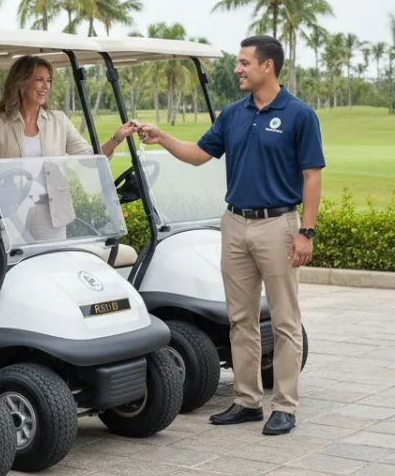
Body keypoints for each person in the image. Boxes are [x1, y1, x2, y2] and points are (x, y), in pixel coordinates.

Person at [137, 35, 324, 436]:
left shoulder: (299, 115)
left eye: (244, 63)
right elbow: (198, 154)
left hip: (278, 226)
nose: (237, 69)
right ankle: (247, 400)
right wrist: (162, 137)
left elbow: (312, 176)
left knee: (285, 320)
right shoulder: (234, 114)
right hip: (235, 224)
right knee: (240, 319)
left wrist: (306, 232)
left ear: (267, 66)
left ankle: (285, 406)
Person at [0, 55, 136, 248]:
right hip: (11, 213)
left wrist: (116, 138)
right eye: (39, 79)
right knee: (15, 263)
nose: (46, 86)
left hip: (51, 213)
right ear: (21, 83)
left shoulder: (59, 121)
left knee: (53, 261)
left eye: (49, 80)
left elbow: (89, 158)